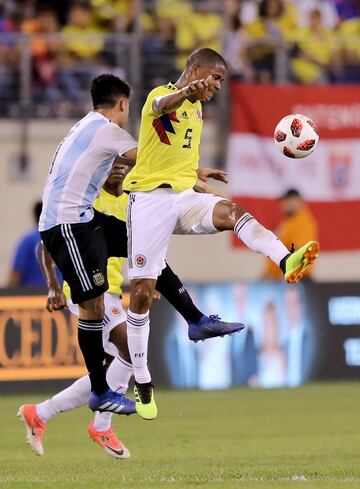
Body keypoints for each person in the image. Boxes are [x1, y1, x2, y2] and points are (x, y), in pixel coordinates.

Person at [123, 47, 319, 420]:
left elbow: (178, 163)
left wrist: (201, 178)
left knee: (233, 212)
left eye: (220, 82)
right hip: (148, 202)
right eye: (214, 79)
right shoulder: (161, 95)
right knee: (143, 294)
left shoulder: (198, 112)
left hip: (182, 198)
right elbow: (163, 105)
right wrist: (185, 92)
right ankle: (144, 381)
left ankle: (285, 257)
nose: (216, 87)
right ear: (196, 70)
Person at [38, 72, 244, 418]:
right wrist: (193, 177)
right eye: (128, 108)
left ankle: (196, 321)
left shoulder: (86, 126)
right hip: (66, 224)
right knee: (92, 308)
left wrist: (192, 174)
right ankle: (100, 392)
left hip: (84, 219)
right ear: (122, 105)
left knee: (142, 245)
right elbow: (150, 162)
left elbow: (156, 165)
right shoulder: (107, 132)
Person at [19, 159, 224, 459]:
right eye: (111, 162)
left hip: (111, 292)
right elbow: (46, 245)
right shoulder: (89, 200)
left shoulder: (132, 201)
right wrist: (52, 286)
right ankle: (100, 425)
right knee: (130, 350)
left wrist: (147, 280)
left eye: (121, 163)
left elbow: (139, 248)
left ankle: (40, 413)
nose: (117, 168)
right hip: (86, 291)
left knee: (108, 370)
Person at [264, 189, 318, 280]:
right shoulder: (288, 222)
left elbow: (299, 254)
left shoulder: (303, 222)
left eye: (288, 200)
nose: (284, 204)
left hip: (297, 279)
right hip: (281, 279)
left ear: (298, 201)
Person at [8, 201, 46, 287]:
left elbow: (16, 273)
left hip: (31, 295)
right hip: (59, 294)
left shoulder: (27, 240)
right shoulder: (61, 238)